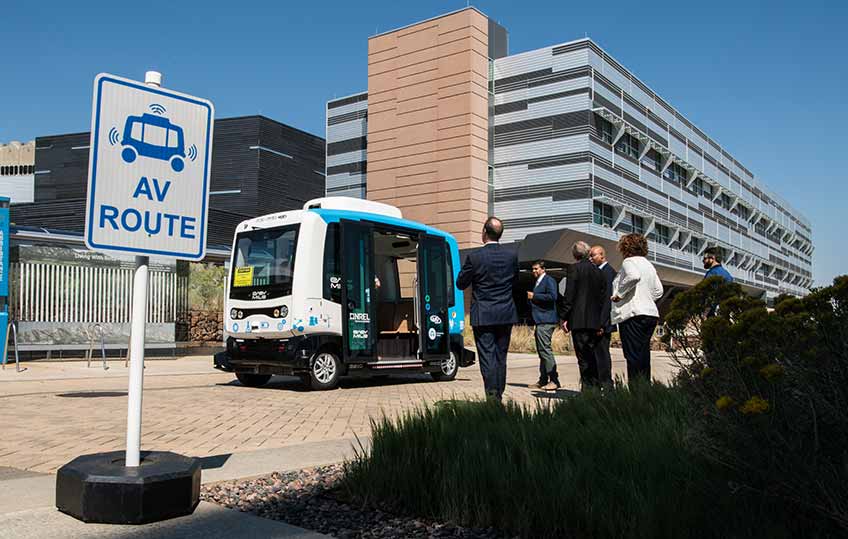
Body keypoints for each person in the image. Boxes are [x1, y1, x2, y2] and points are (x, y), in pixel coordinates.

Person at [456, 217, 519, 402]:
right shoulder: (511, 256)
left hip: (484, 314)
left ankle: (493, 398)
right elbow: (515, 281)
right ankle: (498, 394)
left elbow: (461, 283)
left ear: (484, 232)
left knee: (488, 357)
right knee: (501, 356)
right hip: (506, 313)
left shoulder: (475, 257)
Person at [610, 234, 664, 383]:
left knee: (633, 356)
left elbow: (633, 276)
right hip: (650, 314)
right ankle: (645, 389)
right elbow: (659, 291)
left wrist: (619, 294)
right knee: (643, 355)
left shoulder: (629, 261)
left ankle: (636, 393)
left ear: (625, 247)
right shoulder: (649, 264)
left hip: (633, 314)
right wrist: (646, 298)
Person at [557, 241, 607, 389]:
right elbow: (602, 298)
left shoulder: (574, 269)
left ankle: (587, 388)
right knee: (592, 355)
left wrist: (563, 317)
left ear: (574, 254)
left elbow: (569, 295)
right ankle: (595, 386)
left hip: (578, 320)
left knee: (583, 358)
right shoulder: (599, 272)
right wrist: (601, 321)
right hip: (594, 321)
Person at [526, 260, 560, 391]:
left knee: (545, 351)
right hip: (540, 320)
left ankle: (554, 380)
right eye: (533, 269)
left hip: (546, 321)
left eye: (536, 269)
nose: (534, 271)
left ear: (543, 269)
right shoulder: (538, 281)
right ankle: (543, 380)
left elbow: (553, 296)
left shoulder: (548, 280)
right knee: (542, 351)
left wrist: (535, 296)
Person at [589, 245, 616, 389]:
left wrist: (601, 324)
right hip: (597, 321)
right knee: (596, 354)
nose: (591, 258)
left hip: (602, 323)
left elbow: (607, 300)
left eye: (593, 255)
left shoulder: (607, 272)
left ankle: (607, 385)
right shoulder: (599, 271)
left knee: (602, 355)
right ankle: (599, 383)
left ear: (602, 256)